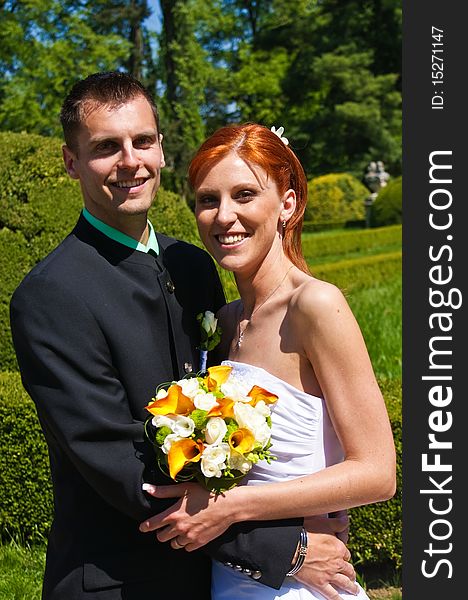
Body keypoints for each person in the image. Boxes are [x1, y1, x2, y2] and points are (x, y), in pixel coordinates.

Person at [9, 74, 356, 599]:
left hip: (213, 578)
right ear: (71, 162)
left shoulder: (193, 264)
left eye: (142, 141)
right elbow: (125, 470)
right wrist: (286, 549)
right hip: (121, 582)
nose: (130, 161)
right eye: (106, 147)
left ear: (161, 148)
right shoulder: (51, 296)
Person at [139, 123, 397, 599]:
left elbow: (378, 473)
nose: (224, 216)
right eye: (207, 199)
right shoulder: (224, 320)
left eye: (244, 195)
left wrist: (230, 505)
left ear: (288, 204)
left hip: (303, 585)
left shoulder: (315, 306)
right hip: (234, 577)